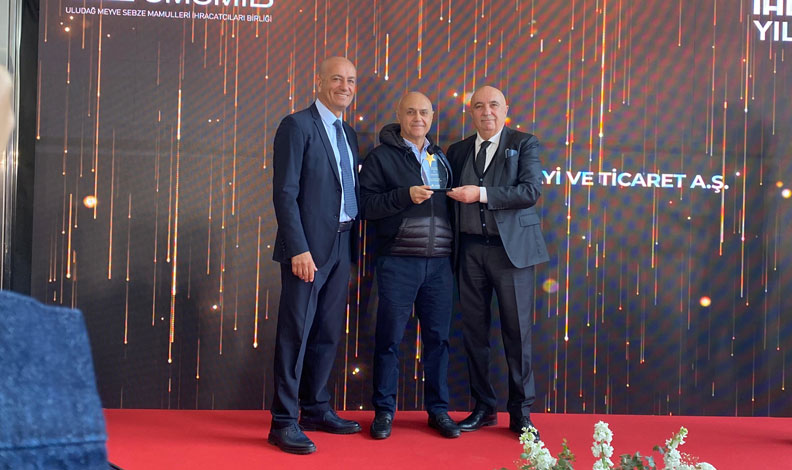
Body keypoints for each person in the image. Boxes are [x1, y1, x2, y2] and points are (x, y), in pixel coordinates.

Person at [268, 56, 362, 455]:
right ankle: (283, 421)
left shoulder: (349, 133)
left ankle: (316, 408)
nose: (345, 86)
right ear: (319, 82)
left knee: (327, 331)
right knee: (296, 333)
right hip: (308, 249)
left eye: (351, 80)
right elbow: (285, 193)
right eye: (337, 79)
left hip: (342, 243)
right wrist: (299, 249)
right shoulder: (296, 126)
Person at [446, 85, 549, 437]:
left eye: (493, 105)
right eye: (479, 106)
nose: (486, 111)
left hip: (512, 252)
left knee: (517, 334)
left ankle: (521, 413)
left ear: (506, 109)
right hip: (470, 251)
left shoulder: (525, 143)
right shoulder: (458, 150)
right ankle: (483, 407)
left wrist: (481, 194)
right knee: (474, 333)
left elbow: (530, 191)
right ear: (471, 112)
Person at [359, 92, 460, 440]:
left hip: (440, 265)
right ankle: (384, 411)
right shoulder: (380, 157)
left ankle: (438, 410)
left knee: (438, 341)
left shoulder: (440, 157)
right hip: (398, 262)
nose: (418, 118)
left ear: (432, 117)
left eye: (424, 113)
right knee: (389, 339)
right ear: (399, 115)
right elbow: (366, 206)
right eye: (411, 112)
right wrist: (405, 196)